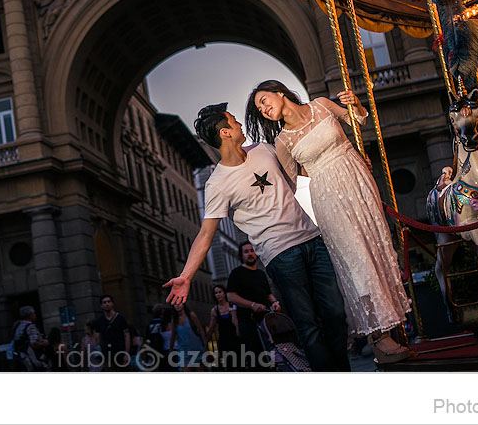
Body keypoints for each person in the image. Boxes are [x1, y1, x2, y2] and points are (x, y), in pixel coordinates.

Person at [163, 102, 350, 372]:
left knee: (335, 315)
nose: (239, 124)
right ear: (225, 132)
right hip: (280, 255)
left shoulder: (264, 150)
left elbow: (300, 170)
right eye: (233, 121)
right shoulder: (217, 183)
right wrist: (187, 276)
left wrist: (344, 165)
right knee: (308, 326)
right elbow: (206, 234)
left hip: (312, 239)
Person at [246, 80, 413, 363]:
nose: (263, 109)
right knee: (356, 259)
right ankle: (378, 338)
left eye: (264, 100)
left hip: (358, 180)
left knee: (375, 249)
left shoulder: (321, 105)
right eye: (259, 108)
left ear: (280, 92)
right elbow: (291, 183)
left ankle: (393, 322)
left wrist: (356, 105)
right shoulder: (283, 141)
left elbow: (357, 119)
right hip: (328, 196)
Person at [226, 242, 279, 370]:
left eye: (252, 251)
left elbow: (268, 294)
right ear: (241, 255)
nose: (250, 254)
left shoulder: (261, 274)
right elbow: (231, 296)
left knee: (272, 356)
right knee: (256, 359)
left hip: (266, 322)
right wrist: (252, 305)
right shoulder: (236, 273)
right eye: (246, 252)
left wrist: (275, 303)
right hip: (248, 322)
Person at [207, 284, 241, 371]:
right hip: (223, 341)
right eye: (216, 293)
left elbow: (236, 323)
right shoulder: (214, 310)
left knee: (240, 364)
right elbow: (211, 328)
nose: (218, 294)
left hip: (235, 339)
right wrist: (205, 340)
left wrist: (233, 314)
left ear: (224, 293)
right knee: (229, 366)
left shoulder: (232, 306)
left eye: (220, 292)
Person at [93, 294, 131, 371]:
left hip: (121, 352)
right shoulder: (99, 321)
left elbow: (126, 336)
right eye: (104, 302)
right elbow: (97, 339)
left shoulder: (120, 318)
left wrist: (126, 353)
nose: (107, 304)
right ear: (101, 306)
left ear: (112, 303)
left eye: (108, 301)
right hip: (108, 355)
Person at [169, 302, 207, 371]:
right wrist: (170, 350)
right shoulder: (174, 320)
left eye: (179, 303)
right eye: (175, 304)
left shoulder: (191, 315)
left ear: (183, 304)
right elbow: (173, 336)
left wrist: (205, 345)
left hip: (196, 348)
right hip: (184, 351)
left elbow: (201, 330)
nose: (177, 305)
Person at [11, 305, 49, 371]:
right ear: (30, 315)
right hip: (33, 359)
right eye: (34, 313)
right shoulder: (30, 326)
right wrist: (46, 343)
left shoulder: (18, 326)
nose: (35, 315)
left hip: (22, 358)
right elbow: (34, 343)